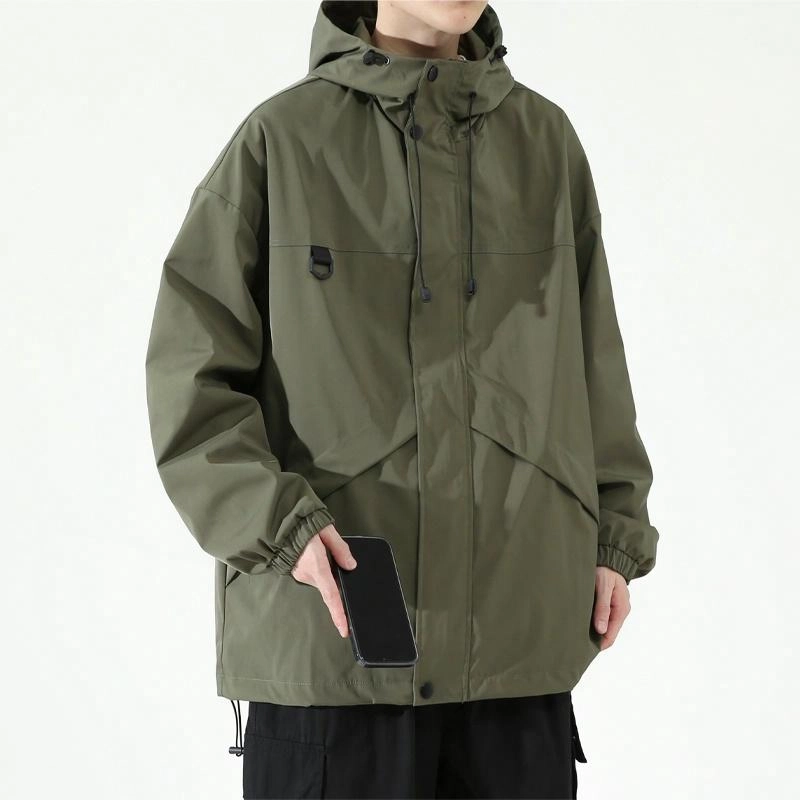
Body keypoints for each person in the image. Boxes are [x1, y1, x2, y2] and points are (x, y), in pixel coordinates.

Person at [144, 1, 660, 797]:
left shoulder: (544, 143)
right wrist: (278, 527)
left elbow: (593, 359)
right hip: (333, 660)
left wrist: (614, 532)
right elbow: (192, 379)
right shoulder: (282, 140)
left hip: (515, 658)